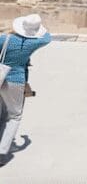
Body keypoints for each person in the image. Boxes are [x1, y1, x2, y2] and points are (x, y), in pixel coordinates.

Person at [0, 14, 51, 165]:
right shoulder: (34, 42)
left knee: (2, 113)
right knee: (14, 116)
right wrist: (36, 30)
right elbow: (47, 37)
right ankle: (1, 151)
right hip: (16, 80)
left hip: (1, 77)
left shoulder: (4, 39)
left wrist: (8, 32)